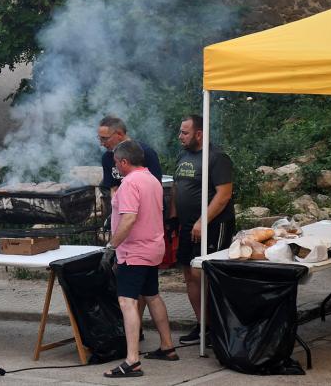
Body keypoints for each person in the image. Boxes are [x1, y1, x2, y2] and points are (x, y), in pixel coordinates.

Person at [103, 140, 176, 379]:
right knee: (152, 295)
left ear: (124, 162)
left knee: (127, 302)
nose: (115, 167)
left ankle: (132, 360)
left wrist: (112, 246)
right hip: (153, 247)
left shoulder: (130, 183)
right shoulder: (152, 179)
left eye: (116, 162)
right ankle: (167, 346)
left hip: (134, 252)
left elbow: (129, 219)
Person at [171, 114, 234, 344]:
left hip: (213, 225)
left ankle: (219, 325)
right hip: (187, 225)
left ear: (199, 134)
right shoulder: (183, 155)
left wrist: (202, 221)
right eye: (180, 132)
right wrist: (173, 218)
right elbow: (178, 187)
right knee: (189, 274)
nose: (180, 137)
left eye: (184, 132)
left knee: (204, 273)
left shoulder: (217, 158)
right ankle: (203, 326)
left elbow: (224, 194)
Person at [98, 115, 163, 195]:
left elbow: (156, 186)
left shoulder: (146, 152)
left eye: (105, 138)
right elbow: (114, 189)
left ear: (119, 134)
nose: (101, 143)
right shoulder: (107, 157)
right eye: (100, 138)